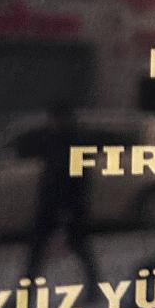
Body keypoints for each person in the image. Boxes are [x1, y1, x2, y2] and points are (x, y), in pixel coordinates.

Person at [24, 100, 100, 293]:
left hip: (62, 204)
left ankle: (26, 294)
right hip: (58, 204)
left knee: (43, 250)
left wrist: (68, 209)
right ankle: (93, 287)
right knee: (72, 247)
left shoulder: (70, 143)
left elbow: (75, 179)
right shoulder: (59, 141)